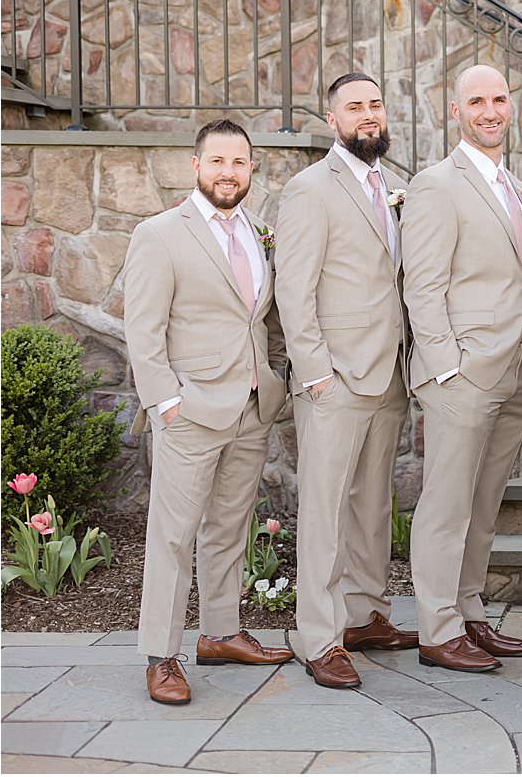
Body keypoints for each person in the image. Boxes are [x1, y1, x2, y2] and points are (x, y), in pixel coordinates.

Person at [123, 119, 294, 705]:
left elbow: (264, 319)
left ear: (252, 169)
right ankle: (161, 654)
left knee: (229, 529)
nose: (229, 172)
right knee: (173, 537)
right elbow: (142, 333)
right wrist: (167, 404)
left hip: (250, 406)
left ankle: (220, 632)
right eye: (217, 162)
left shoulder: (260, 232)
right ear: (196, 166)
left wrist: (271, 378)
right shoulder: (161, 233)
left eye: (239, 163)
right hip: (190, 411)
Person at [402, 64, 522, 672]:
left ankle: (469, 611)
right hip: (464, 372)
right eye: (476, 101)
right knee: (447, 503)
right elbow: (423, 285)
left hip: (517, 368)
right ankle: (437, 629)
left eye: (499, 99)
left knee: (485, 502)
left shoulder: (513, 185)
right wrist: (444, 368)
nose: (490, 111)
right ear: (454, 111)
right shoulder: (438, 184)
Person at [278, 72, 417, 689]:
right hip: (335, 376)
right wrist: (316, 376)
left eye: (376, 105)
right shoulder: (311, 189)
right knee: (326, 508)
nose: (368, 115)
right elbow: (293, 289)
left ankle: (364, 615)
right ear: (331, 120)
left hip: (388, 372)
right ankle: (320, 636)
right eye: (354, 107)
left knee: (370, 504)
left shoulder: (392, 184)